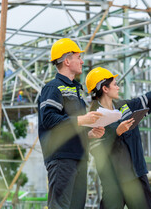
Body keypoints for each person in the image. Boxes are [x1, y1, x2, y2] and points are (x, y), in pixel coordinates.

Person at [85, 67, 151, 209]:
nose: (118, 87)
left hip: (136, 175)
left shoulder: (125, 107)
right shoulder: (92, 118)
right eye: (115, 84)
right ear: (105, 88)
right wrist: (116, 132)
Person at [38, 38, 105, 209]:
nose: (82, 61)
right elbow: (49, 119)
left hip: (78, 157)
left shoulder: (76, 90)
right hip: (61, 158)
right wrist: (83, 119)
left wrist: (89, 133)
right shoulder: (53, 88)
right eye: (78, 57)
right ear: (67, 61)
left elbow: (71, 126)